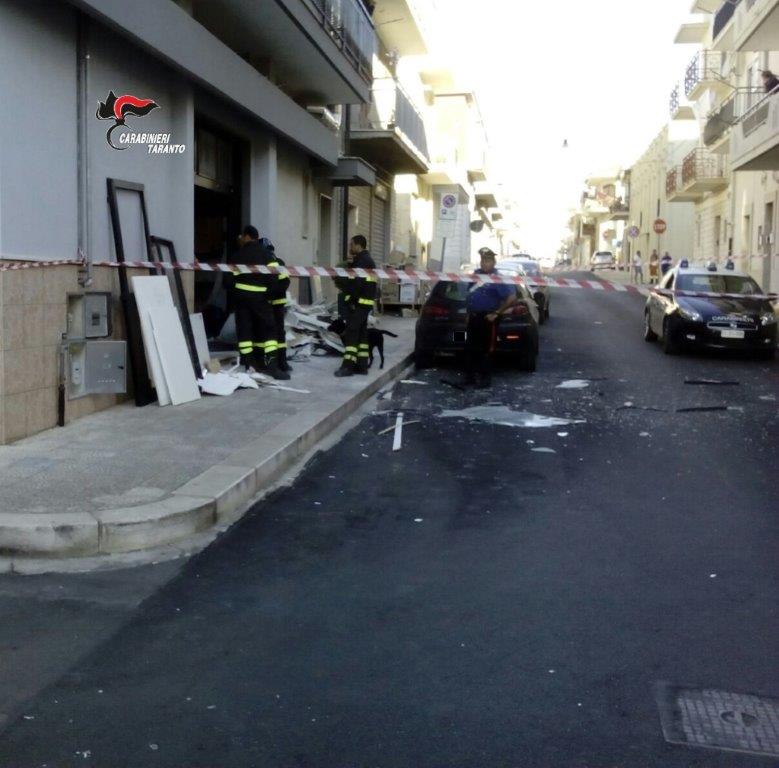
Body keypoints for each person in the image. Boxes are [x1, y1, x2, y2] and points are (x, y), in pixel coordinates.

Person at [232, 225, 289, 380]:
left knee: (245, 332)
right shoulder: (267, 255)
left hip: (241, 300)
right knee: (270, 330)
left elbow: (229, 280)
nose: (241, 239)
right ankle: (271, 366)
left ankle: (249, 365)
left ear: (247, 236)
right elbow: (275, 279)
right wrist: (266, 295)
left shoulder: (237, 255)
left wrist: (238, 294)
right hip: (260, 300)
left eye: (242, 236)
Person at [464, 247, 516, 388]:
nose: (484, 263)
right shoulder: (476, 275)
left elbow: (511, 298)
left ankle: (485, 379)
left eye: (487, 260)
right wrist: (468, 314)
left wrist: (497, 313)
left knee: (486, 349)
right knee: (470, 347)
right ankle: (470, 378)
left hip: (488, 318)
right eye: (482, 260)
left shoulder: (498, 278)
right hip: (474, 317)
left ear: (493, 262)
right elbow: (470, 295)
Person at [333, 235, 378, 377]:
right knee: (361, 335)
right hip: (364, 303)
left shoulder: (362, 262)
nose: (350, 247)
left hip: (358, 303)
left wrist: (351, 301)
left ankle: (347, 367)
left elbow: (355, 285)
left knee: (351, 334)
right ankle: (361, 365)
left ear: (359, 245)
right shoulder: (366, 260)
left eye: (351, 244)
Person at [261, 238, 292, 374]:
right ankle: (282, 362)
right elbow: (285, 282)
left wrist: (269, 294)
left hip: (270, 304)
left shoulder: (267, 263)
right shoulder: (280, 262)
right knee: (279, 333)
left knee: (270, 332)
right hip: (278, 303)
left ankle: (276, 362)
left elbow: (284, 282)